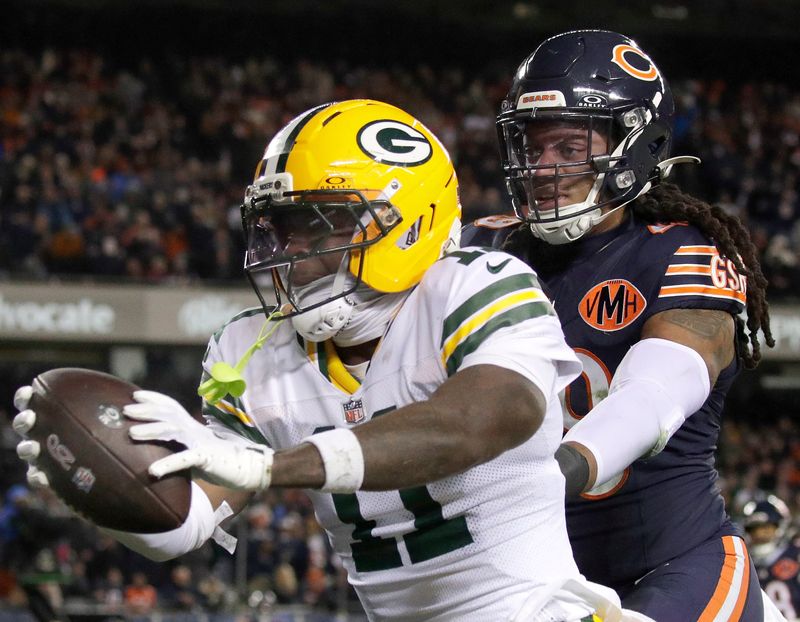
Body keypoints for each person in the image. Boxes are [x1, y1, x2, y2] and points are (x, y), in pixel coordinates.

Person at [13, 99, 641, 621]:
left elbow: (481, 419)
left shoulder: (474, 284)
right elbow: (183, 526)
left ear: (408, 223)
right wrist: (101, 484)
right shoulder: (249, 349)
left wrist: (274, 466)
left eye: (318, 226)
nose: (289, 252)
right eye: (278, 228)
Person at [463, 30, 777, 621]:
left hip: (673, 566)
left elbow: (654, 394)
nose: (545, 167)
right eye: (532, 146)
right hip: (527, 573)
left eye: (569, 145)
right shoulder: (480, 248)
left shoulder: (685, 251)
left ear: (635, 145)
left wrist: (545, 477)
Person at [743, 496, 800, 621]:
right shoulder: (744, 563)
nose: (760, 534)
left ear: (780, 527)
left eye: (767, 529)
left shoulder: (795, 555)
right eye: (755, 530)